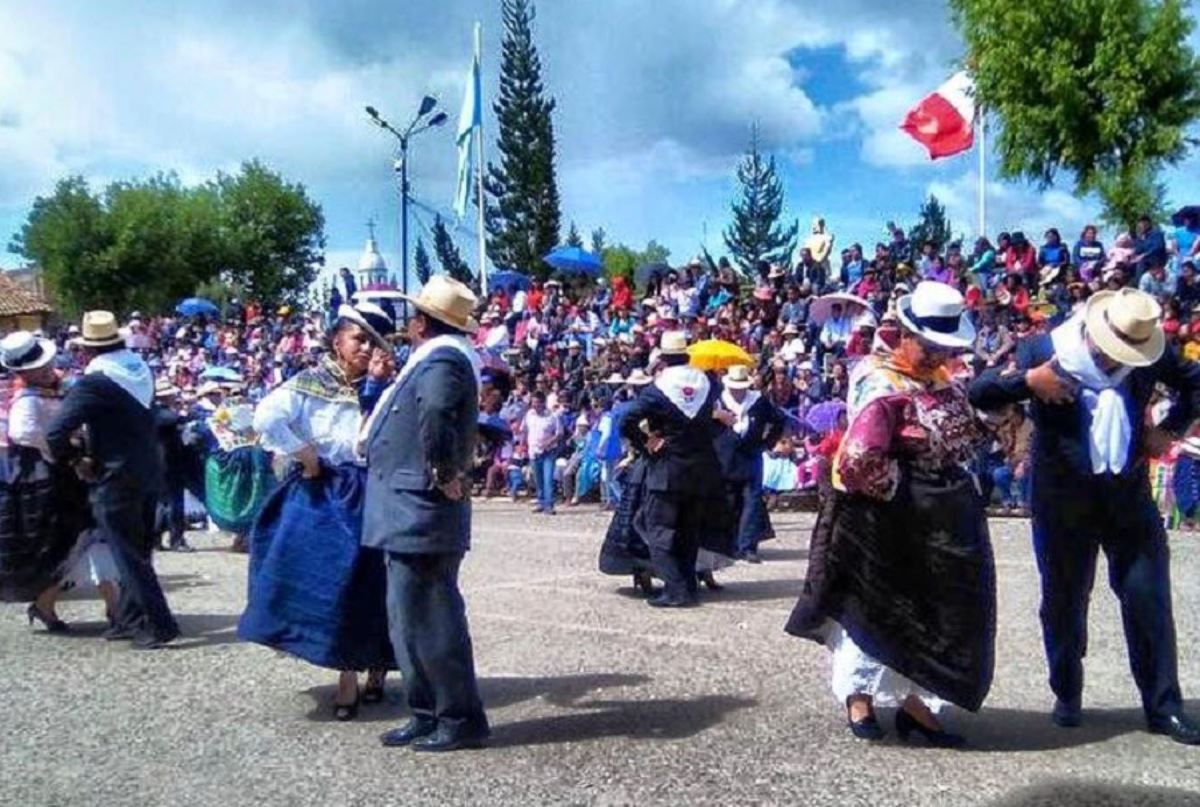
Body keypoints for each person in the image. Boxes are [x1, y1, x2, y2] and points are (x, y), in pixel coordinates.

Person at [970, 287, 1200, 745]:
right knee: (1064, 602)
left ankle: (1163, 705)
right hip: (1062, 500)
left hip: (1128, 494)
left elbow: (1196, 380)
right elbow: (980, 390)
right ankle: (1067, 694)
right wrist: (1028, 383)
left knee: (1148, 598)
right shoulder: (1043, 349)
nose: (1119, 361)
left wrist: (1170, 430)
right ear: (1094, 335)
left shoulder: (1147, 350)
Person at [786, 283, 995, 746]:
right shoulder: (880, 382)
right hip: (881, 516)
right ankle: (858, 697)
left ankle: (914, 704)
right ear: (902, 334)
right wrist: (914, 486)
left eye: (944, 348)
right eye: (929, 345)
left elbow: (966, 439)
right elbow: (861, 459)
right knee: (875, 604)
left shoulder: (941, 381)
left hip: (933, 519)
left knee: (928, 611)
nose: (937, 355)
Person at [239, 302, 396, 721]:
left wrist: (378, 388)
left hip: (375, 491)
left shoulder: (387, 386)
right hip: (327, 494)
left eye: (376, 342)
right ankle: (346, 672)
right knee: (333, 582)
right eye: (359, 339)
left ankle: (378, 665)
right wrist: (304, 454)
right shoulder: (310, 383)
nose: (367, 348)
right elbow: (266, 417)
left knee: (379, 583)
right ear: (336, 341)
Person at [362, 276, 490, 753]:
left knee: (433, 619)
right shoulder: (435, 358)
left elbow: (437, 411)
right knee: (407, 618)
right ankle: (427, 711)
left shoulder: (442, 360)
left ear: (420, 323)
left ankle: (459, 717)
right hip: (407, 506)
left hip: (421, 507)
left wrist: (441, 468)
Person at [46, 311, 180, 649]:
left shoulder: (94, 382)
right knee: (141, 549)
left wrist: (77, 459)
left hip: (115, 474)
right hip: (149, 467)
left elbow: (54, 433)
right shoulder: (139, 367)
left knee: (127, 553)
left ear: (88, 350)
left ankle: (159, 623)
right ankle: (128, 618)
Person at [1, 331, 117, 630]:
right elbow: (22, 433)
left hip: (68, 471)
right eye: (33, 368)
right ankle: (50, 604)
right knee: (64, 540)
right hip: (49, 476)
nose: (43, 369)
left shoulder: (59, 387)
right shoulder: (27, 399)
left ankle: (109, 605)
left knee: (85, 536)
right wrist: (64, 443)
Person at [619, 331, 729, 607]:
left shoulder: (658, 389)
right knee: (689, 531)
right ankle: (689, 586)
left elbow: (627, 419)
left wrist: (646, 442)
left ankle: (676, 589)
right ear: (687, 354)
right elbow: (713, 420)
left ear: (664, 358)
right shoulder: (709, 384)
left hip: (668, 469)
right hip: (702, 469)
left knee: (655, 527)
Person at [713, 364, 784, 563]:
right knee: (727, 501)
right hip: (724, 457)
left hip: (751, 455)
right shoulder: (717, 402)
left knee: (752, 501)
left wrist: (766, 443)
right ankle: (728, 544)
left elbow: (779, 421)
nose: (738, 390)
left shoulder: (759, 401)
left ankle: (747, 546)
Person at [523, 390, 563, 515]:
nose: (534, 405)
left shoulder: (552, 416)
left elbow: (560, 433)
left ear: (543, 403)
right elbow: (525, 430)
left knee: (548, 478)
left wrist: (549, 442)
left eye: (537, 402)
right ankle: (541, 502)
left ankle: (549, 504)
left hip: (548, 451)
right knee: (538, 479)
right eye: (533, 402)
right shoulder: (529, 414)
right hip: (534, 451)